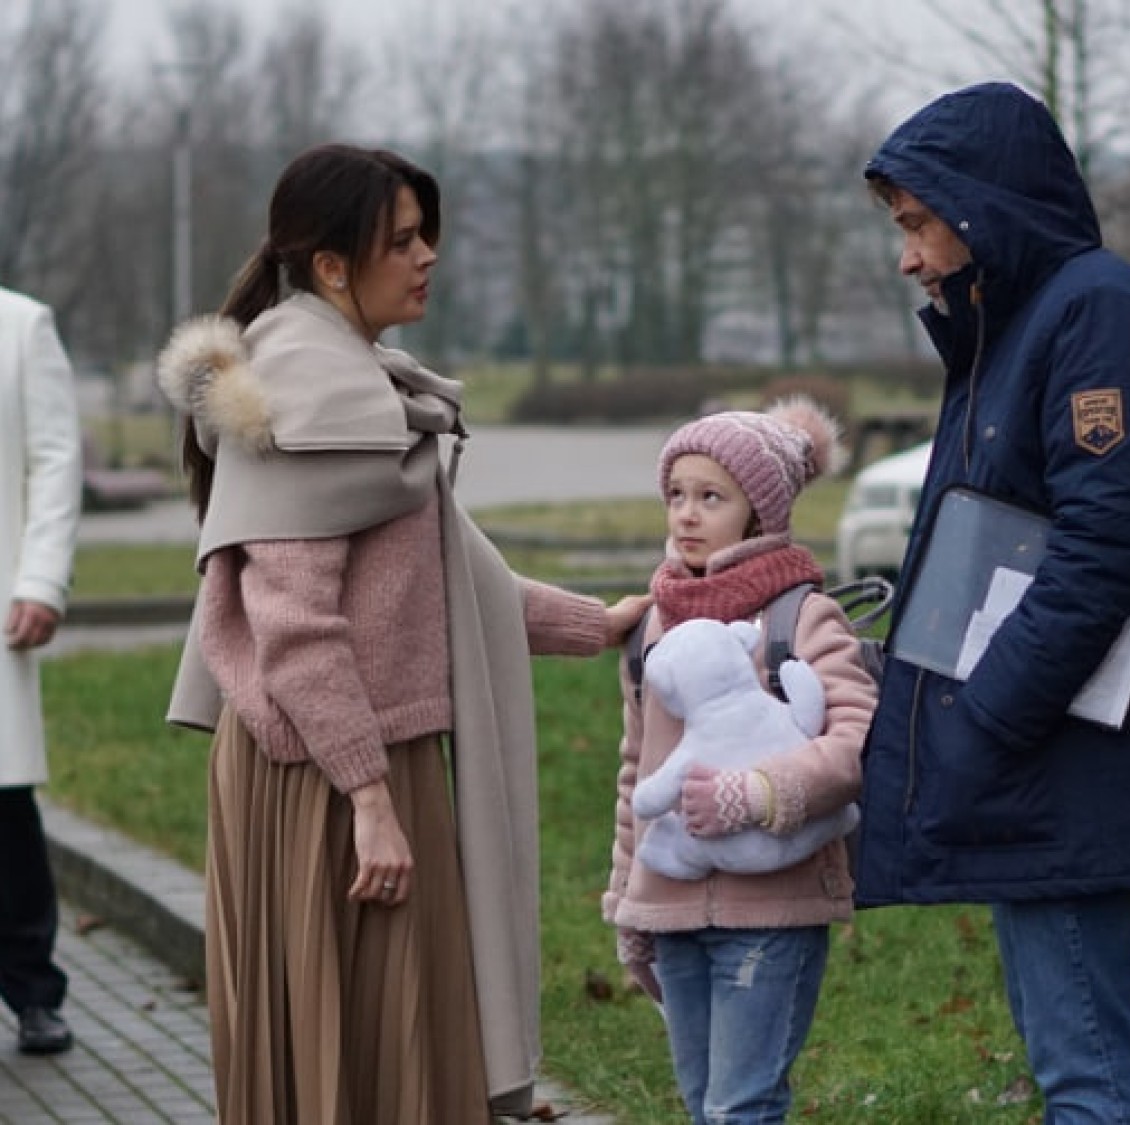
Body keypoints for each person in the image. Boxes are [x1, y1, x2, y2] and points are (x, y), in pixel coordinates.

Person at [154, 143, 648, 1125]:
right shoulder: (312, 394)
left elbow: (447, 576)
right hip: (326, 775)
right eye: (404, 240)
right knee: (366, 1051)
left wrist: (597, 626)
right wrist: (371, 798)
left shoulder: (350, 380)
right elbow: (296, 627)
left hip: (355, 757)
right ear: (332, 265)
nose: (428, 257)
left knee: (390, 1044)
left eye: (428, 236)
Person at [854, 82, 1130, 1122]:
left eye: (918, 224)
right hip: (1039, 753)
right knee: (1072, 1057)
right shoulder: (1020, 321)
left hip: (1059, 757)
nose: (909, 258)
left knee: (1088, 1074)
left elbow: (1107, 550)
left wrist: (985, 716)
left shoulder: (1093, 315)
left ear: (983, 209)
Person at [603, 399, 878, 1125]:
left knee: (739, 1108)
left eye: (711, 497)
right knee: (704, 1106)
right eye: (676, 494)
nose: (686, 514)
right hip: (671, 912)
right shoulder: (652, 625)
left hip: (773, 912)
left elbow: (854, 741)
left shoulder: (801, 617)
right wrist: (628, 900)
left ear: (760, 514)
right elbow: (636, 773)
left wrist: (759, 793)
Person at [0, 285, 84, 1057]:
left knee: (4, 808)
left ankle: (32, 989)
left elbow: (56, 461)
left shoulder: (21, 326)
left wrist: (42, 581)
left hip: (0, 602)